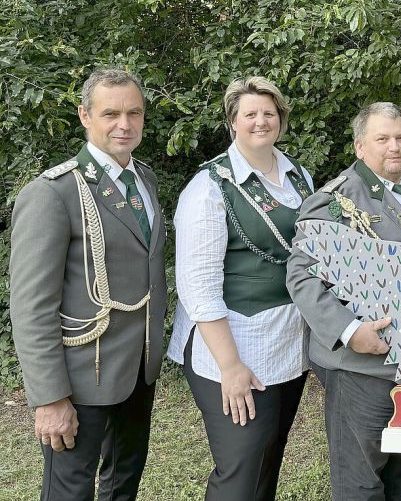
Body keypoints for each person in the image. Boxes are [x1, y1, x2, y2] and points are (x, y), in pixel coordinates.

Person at [10, 68, 167, 501]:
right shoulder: (53, 192)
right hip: (82, 375)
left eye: (134, 112)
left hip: (138, 369)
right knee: (70, 491)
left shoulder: (144, 180)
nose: (125, 124)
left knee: (123, 483)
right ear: (85, 116)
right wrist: (49, 397)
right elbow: (31, 306)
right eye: (110, 113)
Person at [287, 102, 401, 500]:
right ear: (359, 147)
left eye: (400, 138)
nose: (394, 147)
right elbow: (301, 274)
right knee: (360, 483)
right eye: (382, 139)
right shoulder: (337, 199)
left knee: (400, 475)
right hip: (365, 367)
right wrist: (350, 330)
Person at [166, 77, 313, 501]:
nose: (261, 121)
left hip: (286, 342)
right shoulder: (208, 188)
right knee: (241, 469)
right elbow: (198, 289)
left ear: (281, 119)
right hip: (233, 348)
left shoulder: (296, 174)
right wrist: (230, 367)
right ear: (233, 121)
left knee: (269, 458)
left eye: (269, 113)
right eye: (250, 114)